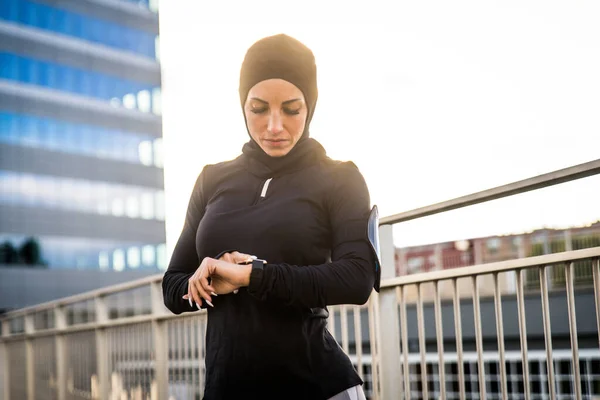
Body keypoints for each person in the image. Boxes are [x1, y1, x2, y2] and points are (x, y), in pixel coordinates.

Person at [162, 33, 379, 400]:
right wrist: (211, 280)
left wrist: (252, 276)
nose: (274, 126)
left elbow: (358, 278)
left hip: (316, 386)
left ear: (310, 107)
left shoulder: (339, 177)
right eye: (259, 109)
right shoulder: (212, 178)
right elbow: (172, 287)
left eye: (291, 109)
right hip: (227, 389)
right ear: (242, 105)